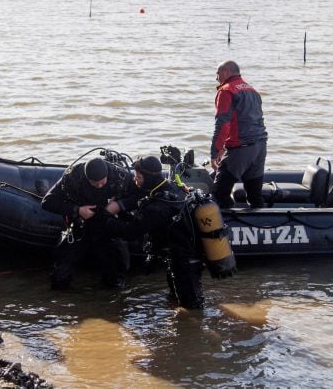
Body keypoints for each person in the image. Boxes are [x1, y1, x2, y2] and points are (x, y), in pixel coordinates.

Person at [90, 156, 205, 309]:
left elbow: (132, 232)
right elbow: (140, 222)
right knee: (177, 299)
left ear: (149, 178)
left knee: (192, 308)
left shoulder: (158, 205)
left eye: (138, 177)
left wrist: (105, 220)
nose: (135, 181)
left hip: (185, 261)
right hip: (180, 255)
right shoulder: (170, 187)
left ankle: (192, 330)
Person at [41, 157, 138, 290]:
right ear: (87, 178)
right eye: (95, 183)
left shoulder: (120, 176)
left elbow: (138, 196)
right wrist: (78, 210)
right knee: (60, 275)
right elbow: (47, 202)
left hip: (109, 225)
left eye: (102, 182)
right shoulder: (72, 178)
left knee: (117, 275)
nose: (99, 186)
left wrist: (119, 205)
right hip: (81, 226)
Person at [210, 60, 268, 209]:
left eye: (218, 73)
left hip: (241, 148)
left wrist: (215, 152)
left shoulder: (226, 90)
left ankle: (225, 226)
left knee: (219, 192)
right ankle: (262, 225)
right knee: (255, 194)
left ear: (227, 72)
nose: (216, 78)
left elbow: (223, 124)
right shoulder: (252, 90)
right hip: (260, 146)